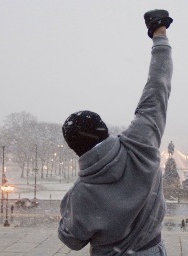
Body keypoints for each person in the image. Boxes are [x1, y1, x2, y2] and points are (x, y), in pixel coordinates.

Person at [58, 9, 173, 256]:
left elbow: (71, 239)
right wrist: (159, 35)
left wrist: (68, 207)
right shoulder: (140, 143)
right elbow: (158, 87)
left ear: (74, 148)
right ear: (104, 129)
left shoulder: (81, 193)